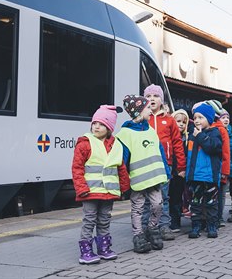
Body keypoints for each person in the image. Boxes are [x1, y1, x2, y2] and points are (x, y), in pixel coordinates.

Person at [72, 105, 130, 264]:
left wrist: (124, 187)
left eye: (102, 124)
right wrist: (81, 188)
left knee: (104, 219)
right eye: (94, 123)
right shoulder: (85, 143)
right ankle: (86, 252)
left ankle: (103, 249)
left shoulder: (116, 145)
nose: (96, 126)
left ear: (110, 128)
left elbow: (121, 167)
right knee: (89, 220)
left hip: (108, 192)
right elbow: (77, 168)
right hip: (89, 192)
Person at [117, 95, 168, 253]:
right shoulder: (125, 134)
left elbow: (160, 153)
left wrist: (166, 172)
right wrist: (124, 182)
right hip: (137, 180)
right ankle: (138, 236)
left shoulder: (151, 131)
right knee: (137, 208)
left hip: (154, 178)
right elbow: (122, 161)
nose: (150, 109)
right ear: (137, 112)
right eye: (147, 108)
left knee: (158, 204)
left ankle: (152, 228)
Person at [143, 84, 185, 241]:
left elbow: (177, 144)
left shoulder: (169, 121)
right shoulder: (142, 120)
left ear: (161, 100)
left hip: (164, 165)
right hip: (146, 165)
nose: (152, 99)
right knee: (147, 198)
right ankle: (147, 227)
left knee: (163, 197)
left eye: (155, 96)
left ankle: (164, 226)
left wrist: (181, 166)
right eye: (148, 96)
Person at [186, 103, 224, 238]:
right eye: (195, 117)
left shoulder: (214, 133)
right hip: (195, 176)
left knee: (211, 202)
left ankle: (212, 225)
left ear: (209, 119)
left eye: (200, 117)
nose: (197, 120)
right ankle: (196, 225)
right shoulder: (192, 134)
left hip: (209, 176)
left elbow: (213, 147)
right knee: (195, 202)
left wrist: (200, 136)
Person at [204, 100, 232, 228]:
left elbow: (225, 152)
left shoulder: (220, 130)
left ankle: (218, 217)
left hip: (220, 169)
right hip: (209, 169)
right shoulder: (206, 128)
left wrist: (224, 171)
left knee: (220, 194)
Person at [170, 109, 190, 231]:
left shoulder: (187, 138)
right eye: (178, 121)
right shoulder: (169, 137)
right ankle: (171, 221)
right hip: (172, 171)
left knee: (179, 197)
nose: (181, 124)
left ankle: (176, 221)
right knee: (172, 197)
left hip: (183, 172)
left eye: (184, 122)